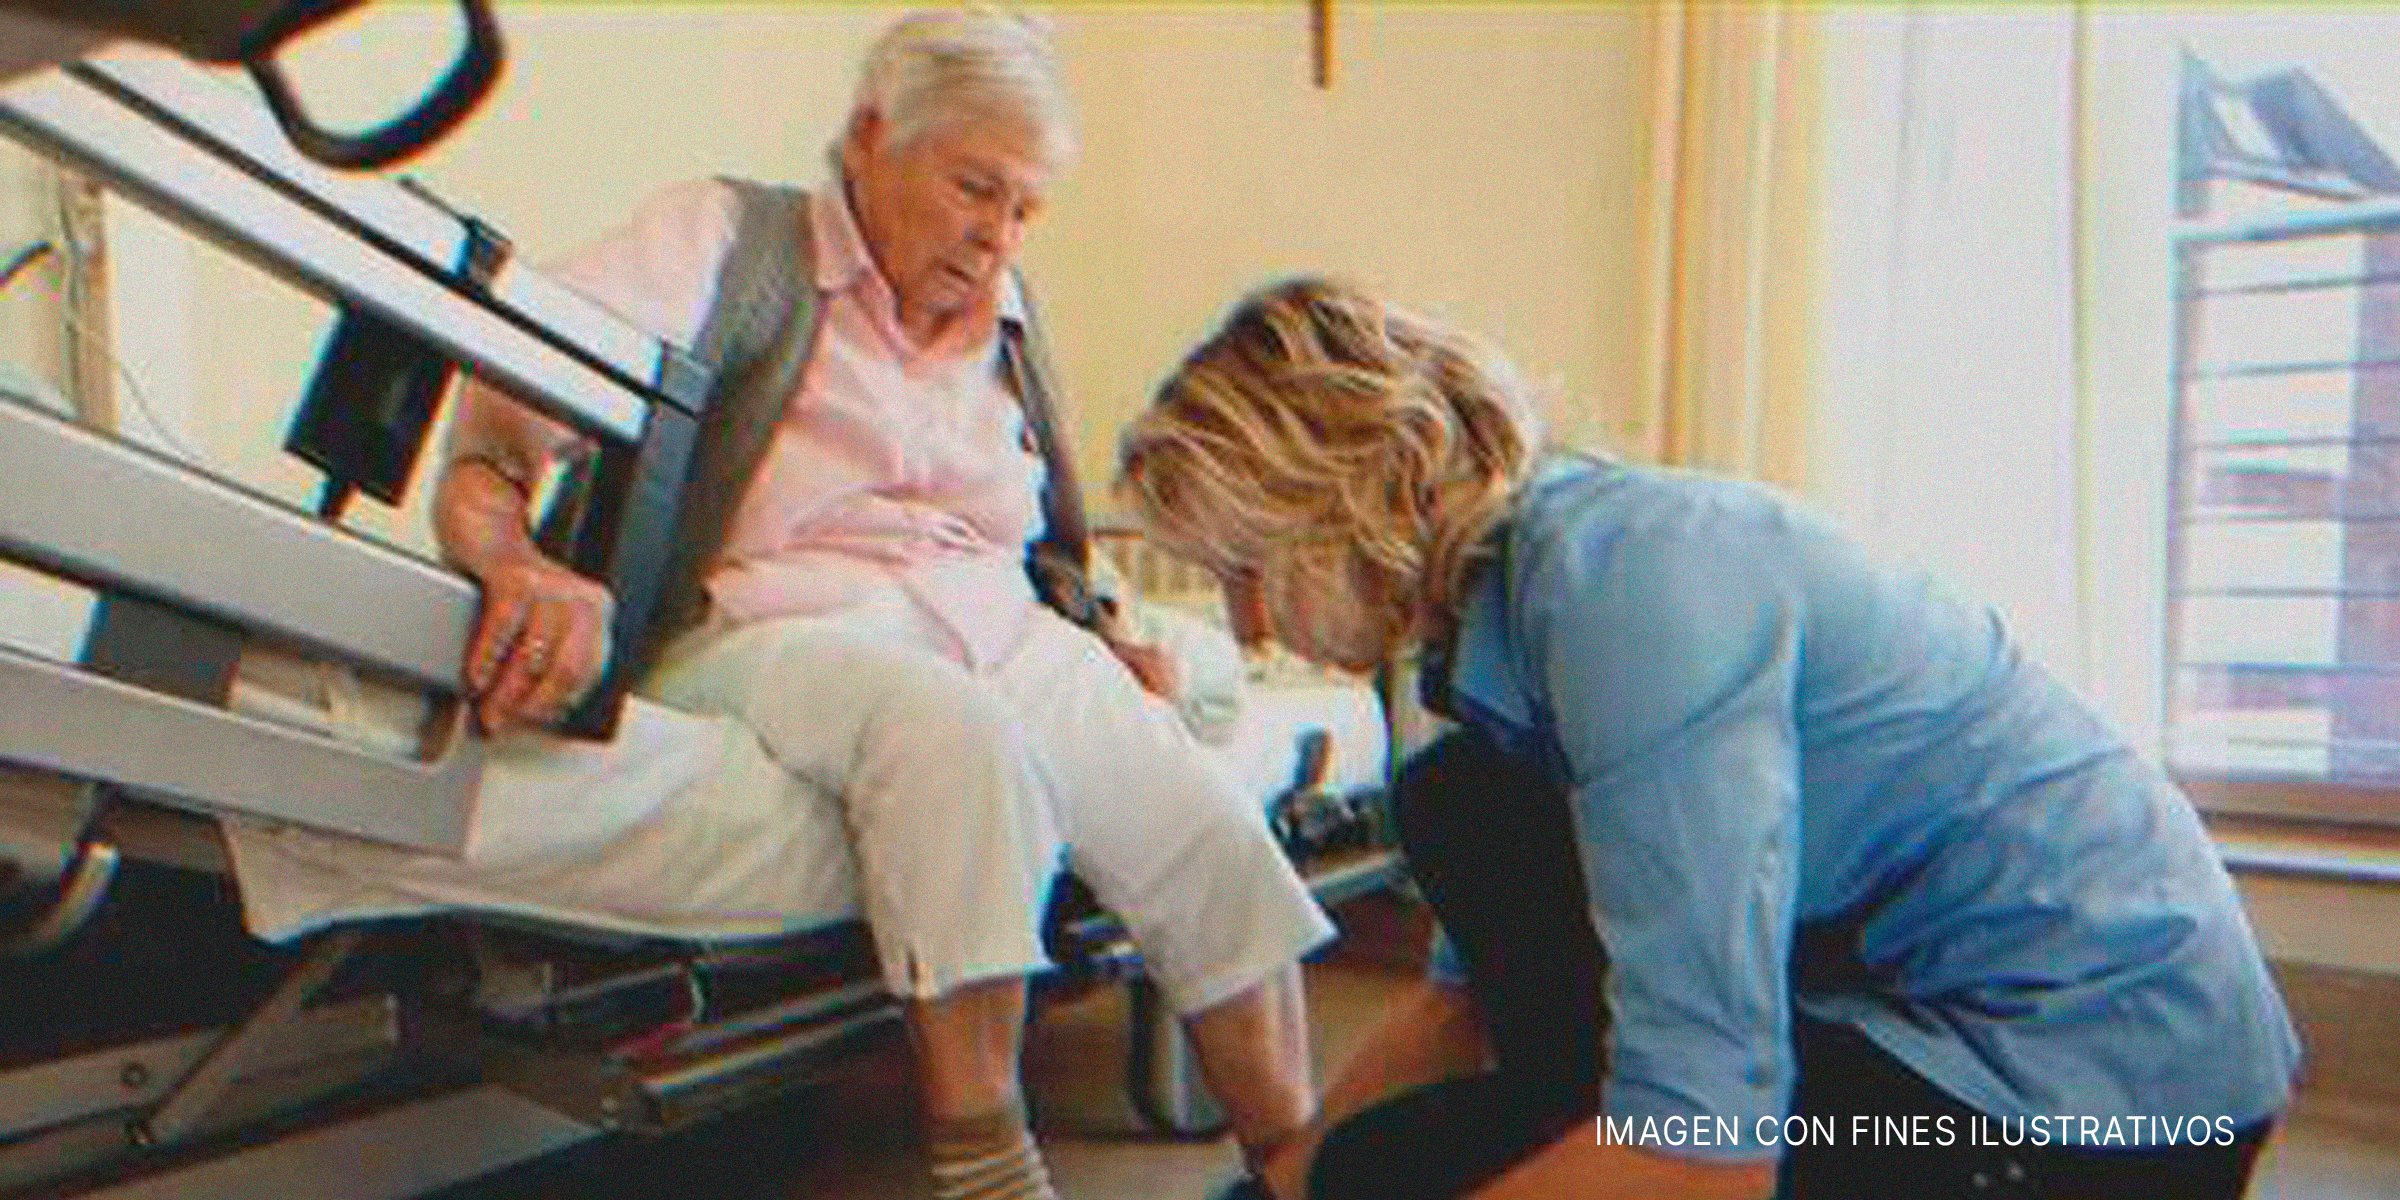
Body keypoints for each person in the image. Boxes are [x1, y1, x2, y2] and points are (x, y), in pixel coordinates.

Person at [1117, 277, 2300, 1200]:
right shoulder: (1512, 609)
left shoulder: (1625, 593)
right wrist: (1272, 1188)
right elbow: (1454, 1007)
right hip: (1932, 1033)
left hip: (2101, 1116)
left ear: (1340, 505)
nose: (1247, 623)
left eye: (1245, 571)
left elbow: (1705, 1155)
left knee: (1409, 1174)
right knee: (1453, 845)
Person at [432, 12, 1331, 1200]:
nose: (997, 238)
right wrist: (517, 566)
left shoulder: (1007, 319)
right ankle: (988, 1167)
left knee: (1199, 820)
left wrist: (1109, 639)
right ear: (870, 134)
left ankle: (1308, 1165)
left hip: (999, 629)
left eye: (1024, 210)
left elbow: (1043, 534)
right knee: (952, 739)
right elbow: (499, 408)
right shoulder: (729, 238)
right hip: (770, 629)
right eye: (975, 189)